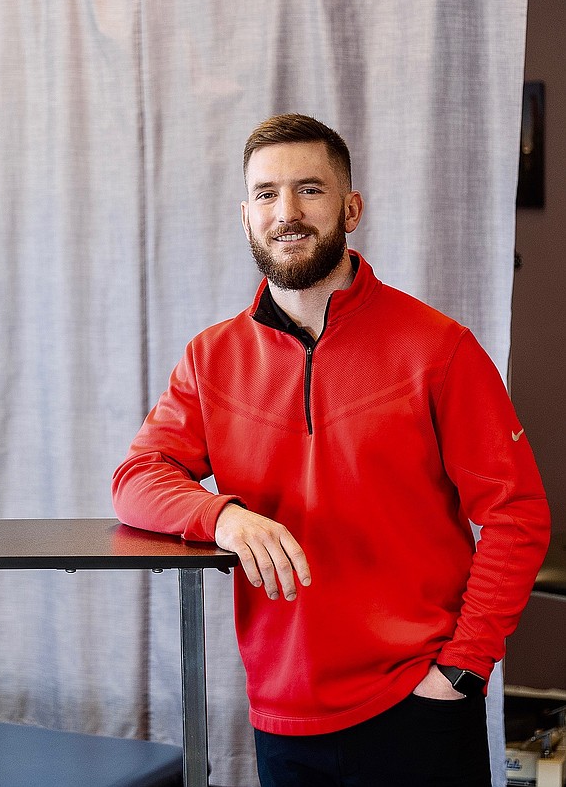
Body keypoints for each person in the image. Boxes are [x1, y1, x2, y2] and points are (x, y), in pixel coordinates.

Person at [112, 113, 550, 786]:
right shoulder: (211, 358)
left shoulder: (439, 349)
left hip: (420, 704)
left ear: (351, 207)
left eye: (309, 190)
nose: (286, 212)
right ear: (245, 214)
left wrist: (462, 667)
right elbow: (137, 476)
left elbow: (517, 513)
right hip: (283, 716)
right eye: (266, 194)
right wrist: (223, 516)